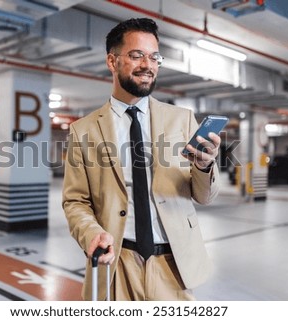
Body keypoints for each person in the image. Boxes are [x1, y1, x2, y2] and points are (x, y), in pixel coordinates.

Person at [62, 17, 221, 301]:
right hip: (117, 265)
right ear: (112, 61)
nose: (148, 65)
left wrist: (204, 165)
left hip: (174, 266)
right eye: (137, 55)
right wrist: (91, 233)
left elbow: (204, 196)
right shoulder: (84, 130)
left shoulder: (181, 119)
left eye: (154, 57)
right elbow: (75, 201)